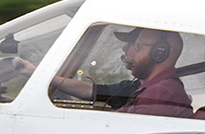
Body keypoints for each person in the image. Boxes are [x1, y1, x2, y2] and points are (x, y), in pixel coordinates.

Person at [43, 27, 192, 116]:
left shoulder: (160, 94)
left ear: (159, 53)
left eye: (137, 46)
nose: (125, 49)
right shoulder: (148, 89)